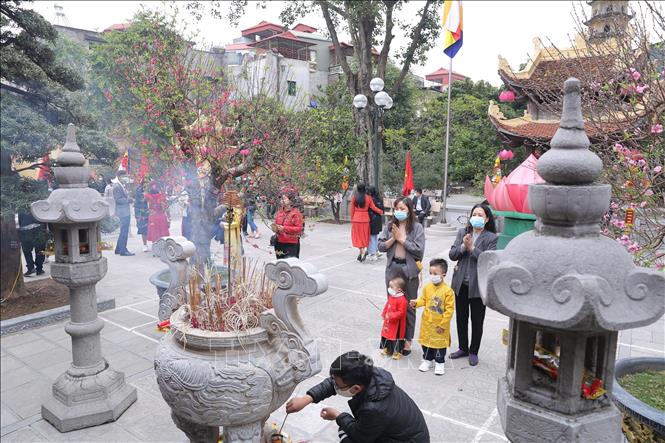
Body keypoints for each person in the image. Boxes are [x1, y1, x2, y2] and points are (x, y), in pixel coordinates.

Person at [285, 351, 429, 443]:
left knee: (347, 435)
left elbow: (361, 437)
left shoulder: (374, 408)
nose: (334, 385)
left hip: (407, 440)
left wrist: (338, 415)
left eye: (338, 385)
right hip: (402, 433)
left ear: (355, 389)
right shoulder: (369, 373)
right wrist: (307, 398)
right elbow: (335, 381)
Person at [448, 203, 498, 366]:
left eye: (480, 215)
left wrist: (472, 248)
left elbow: (489, 260)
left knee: (477, 321)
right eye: (474, 214)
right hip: (461, 284)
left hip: (478, 287)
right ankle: (463, 347)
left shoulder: (491, 237)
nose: (477, 217)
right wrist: (463, 246)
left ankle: (473, 351)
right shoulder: (463, 232)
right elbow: (452, 254)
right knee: (461, 318)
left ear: (487, 219)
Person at [378, 197, 425, 356]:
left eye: (403, 208)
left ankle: (407, 340)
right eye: (397, 208)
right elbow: (381, 246)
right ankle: (392, 339)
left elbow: (419, 251)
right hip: (393, 268)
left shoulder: (417, 227)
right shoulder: (390, 226)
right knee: (393, 304)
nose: (399, 211)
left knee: (409, 305)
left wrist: (403, 240)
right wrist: (394, 238)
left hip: (409, 269)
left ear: (410, 210)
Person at [410, 258, 455, 375]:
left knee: (439, 344)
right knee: (426, 343)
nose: (432, 275)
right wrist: (416, 303)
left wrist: (443, 325)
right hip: (427, 322)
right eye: (430, 273)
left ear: (443, 274)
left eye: (435, 273)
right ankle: (427, 360)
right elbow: (423, 300)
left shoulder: (448, 291)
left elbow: (449, 310)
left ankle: (440, 363)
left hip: (439, 324)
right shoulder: (427, 287)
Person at [350, 183, 383, 262]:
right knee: (364, 236)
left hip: (356, 219)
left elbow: (352, 210)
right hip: (365, 219)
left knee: (357, 236)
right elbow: (373, 207)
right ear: (365, 189)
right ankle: (363, 250)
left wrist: (352, 218)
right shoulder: (368, 198)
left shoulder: (354, 197)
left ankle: (361, 250)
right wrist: (380, 211)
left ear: (357, 189)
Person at [380, 277, 408, 360]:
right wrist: (384, 314)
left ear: (399, 289)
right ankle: (388, 349)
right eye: (389, 286)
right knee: (386, 334)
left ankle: (397, 352)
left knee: (396, 337)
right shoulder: (392, 296)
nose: (389, 289)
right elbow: (387, 305)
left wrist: (391, 315)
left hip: (397, 324)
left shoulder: (402, 300)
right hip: (388, 321)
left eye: (392, 287)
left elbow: (401, 312)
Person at [272, 191, 303, 259]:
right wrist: (275, 228)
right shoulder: (280, 212)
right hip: (279, 243)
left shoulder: (295, 213)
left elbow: (299, 229)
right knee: (280, 263)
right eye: (281, 199)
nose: (282, 200)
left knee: (290, 265)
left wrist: (284, 228)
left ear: (291, 201)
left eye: (284, 198)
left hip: (291, 244)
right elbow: (276, 223)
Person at [17, 210, 48, 277]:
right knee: (40, 250)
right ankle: (39, 269)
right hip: (39, 228)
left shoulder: (21, 204)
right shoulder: (39, 203)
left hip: (25, 230)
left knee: (27, 250)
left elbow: (20, 220)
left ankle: (30, 268)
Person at [113, 170, 134, 256]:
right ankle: (123, 251)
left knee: (123, 231)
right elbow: (118, 200)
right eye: (124, 176)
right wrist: (129, 200)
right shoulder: (117, 186)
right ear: (119, 176)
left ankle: (118, 249)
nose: (125, 178)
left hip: (124, 211)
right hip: (123, 212)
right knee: (124, 232)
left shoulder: (121, 185)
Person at [144, 181, 170, 247]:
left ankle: (155, 247)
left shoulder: (147, 196)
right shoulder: (162, 197)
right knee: (162, 231)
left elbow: (146, 208)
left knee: (154, 232)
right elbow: (166, 207)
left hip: (153, 217)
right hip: (161, 216)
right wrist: (169, 217)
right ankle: (163, 246)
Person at [366, 186, 384, 261]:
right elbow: (382, 209)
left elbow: (370, 209)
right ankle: (376, 251)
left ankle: (372, 254)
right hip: (378, 219)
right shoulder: (380, 198)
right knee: (375, 236)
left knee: (371, 237)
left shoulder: (370, 199)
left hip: (372, 219)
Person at [134, 179, 149, 252]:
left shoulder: (152, 188)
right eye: (146, 182)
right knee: (143, 229)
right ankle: (144, 244)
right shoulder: (138, 190)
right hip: (142, 213)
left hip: (151, 212)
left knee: (153, 228)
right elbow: (140, 201)